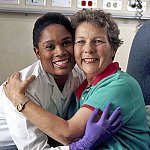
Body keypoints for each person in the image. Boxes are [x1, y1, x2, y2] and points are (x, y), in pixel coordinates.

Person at [4, 9, 150, 149]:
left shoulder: (118, 85)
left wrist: (19, 99)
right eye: (80, 41)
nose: (88, 49)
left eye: (98, 41)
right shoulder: (81, 84)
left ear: (113, 49)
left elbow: (67, 134)